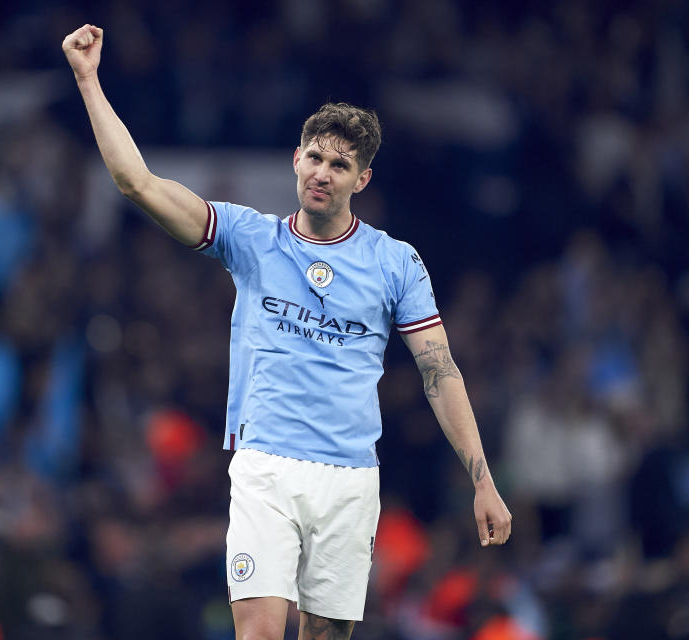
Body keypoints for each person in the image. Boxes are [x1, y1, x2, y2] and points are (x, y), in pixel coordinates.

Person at [62, 23, 512, 640]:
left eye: (341, 164)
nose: (323, 172)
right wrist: (89, 81)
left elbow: (440, 373)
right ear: (296, 160)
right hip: (266, 466)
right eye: (316, 158)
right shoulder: (252, 239)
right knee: (259, 631)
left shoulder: (395, 262)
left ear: (362, 180)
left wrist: (482, 480)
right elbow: (137, 182)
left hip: (351, 477)